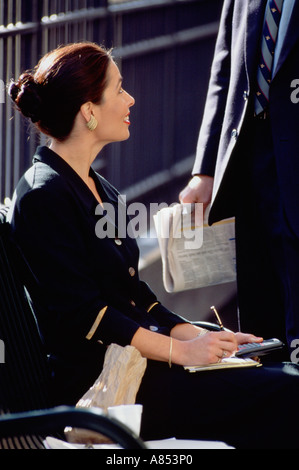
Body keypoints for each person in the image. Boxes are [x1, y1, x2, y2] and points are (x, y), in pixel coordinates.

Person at [7, 41, 299, 449]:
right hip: (106, 385)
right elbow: (87, 314)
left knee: (276, 375)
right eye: (119, 89)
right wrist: (183, 352)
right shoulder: (44, 195)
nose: (131, 98)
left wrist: (197, 335)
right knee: (283, 394)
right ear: (89, 111)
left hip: (136, 363)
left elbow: (133, 296)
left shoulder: (96, 185)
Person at [180, 0, 299, 361]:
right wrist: (204, 170)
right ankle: (272, 398)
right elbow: (225, 69)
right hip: (250, 160)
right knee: (260, 316)